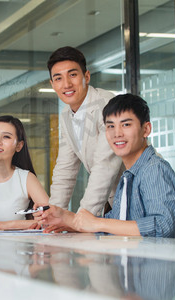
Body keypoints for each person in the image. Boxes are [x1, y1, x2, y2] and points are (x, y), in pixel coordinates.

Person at [38, 94, 175, 238]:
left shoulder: (153, 170)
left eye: (126, 125)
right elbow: (117, 225)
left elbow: (162, 226)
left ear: (146, 129)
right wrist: (67, 218)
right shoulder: (128, 176)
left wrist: (98, 223)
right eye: (110, 126)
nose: (117, 133)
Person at [47, 46, 123, 226]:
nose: (66, 84)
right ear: (52, 84)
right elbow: (65, 169)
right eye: (58, 78)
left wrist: (82, 219)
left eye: (72, 75)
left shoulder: (106, 105)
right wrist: (53, 215)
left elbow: (105, 166)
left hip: (148, 196)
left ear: (86, 77)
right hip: (118, 201)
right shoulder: (67, 114)